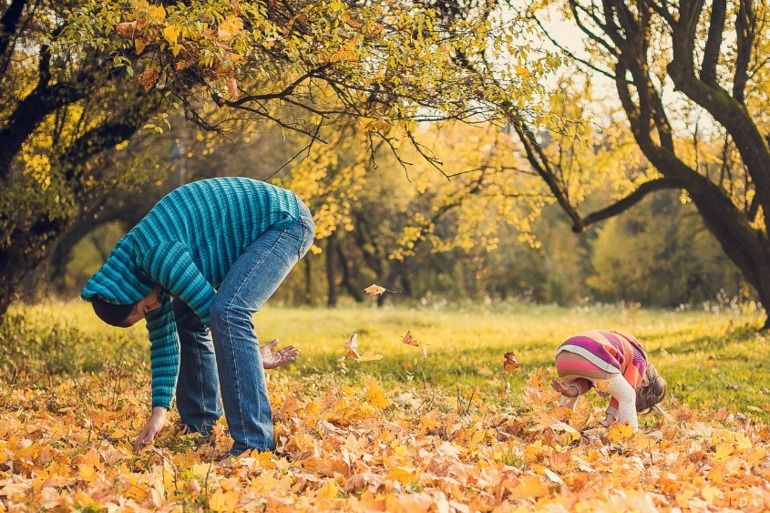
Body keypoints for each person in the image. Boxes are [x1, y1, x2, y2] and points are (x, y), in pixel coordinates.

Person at [81, 177, 315, 456]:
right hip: (262, 227)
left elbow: (214, 313)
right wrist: (158, 414)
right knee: (186, 315)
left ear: (130, 293)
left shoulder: (157, 255)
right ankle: (201, 424)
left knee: (227, 312)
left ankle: (253, 445)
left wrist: (250, 354)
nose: (151, 311)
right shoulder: (143, 278)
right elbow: (164, 344)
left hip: (285, 221)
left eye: (143, 310)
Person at [550, 330, 666, 430]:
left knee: (570, 395)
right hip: (593, 352)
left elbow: (588, 377)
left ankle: (562, 427)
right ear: (644, 382)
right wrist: (610, 418)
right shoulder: (639, 360)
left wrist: (573, 390)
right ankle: (631, 436)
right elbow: (624, 393)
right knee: (627, 394)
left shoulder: (619, 349)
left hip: (564, 353)